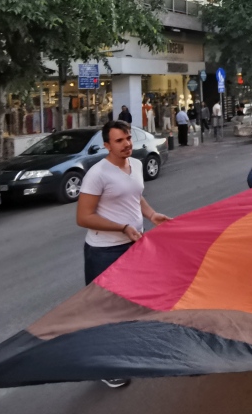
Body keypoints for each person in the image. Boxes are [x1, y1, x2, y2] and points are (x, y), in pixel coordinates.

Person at [74, 121, 170, 387]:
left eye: (128, 138)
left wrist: (150, 215)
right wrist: (123, 227)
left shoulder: (136, 165)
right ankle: (104, 365)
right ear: (107, 145)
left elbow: (134, 195)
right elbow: (83, 217)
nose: (127, 143)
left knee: (130, 304)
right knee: (105, 310)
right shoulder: (97, 174)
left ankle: (124, 352)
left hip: (133, 246)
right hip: (103, 251)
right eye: (119, 140)